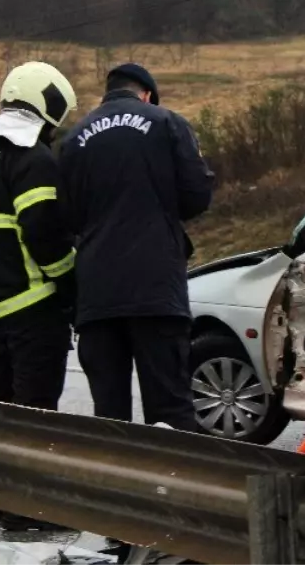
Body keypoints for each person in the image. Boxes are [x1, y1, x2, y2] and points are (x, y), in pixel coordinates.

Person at [0, 61, 79, 530]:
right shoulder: (34, 159)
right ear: (48, 105)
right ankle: (31, 511)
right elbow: (45, 234)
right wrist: (69, 287)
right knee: (35, 410)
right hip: (33, 303)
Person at [59, 63, 215, 432]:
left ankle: (113, 486)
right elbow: (197, 195)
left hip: (97, 292)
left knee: (110, 413)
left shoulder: (75, 137)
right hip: (155, 288)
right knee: (171, 410)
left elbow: (65, 215)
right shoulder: (166, 123)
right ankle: (173, 486)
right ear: (146, 94)